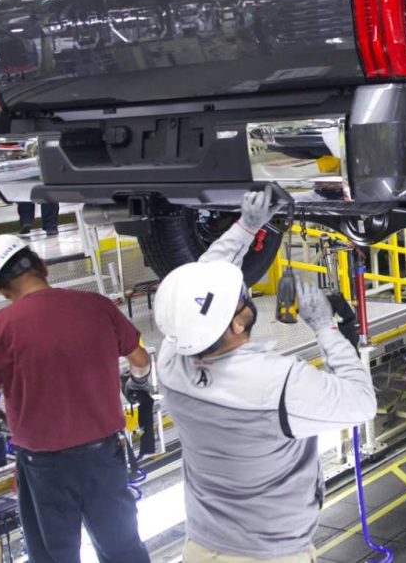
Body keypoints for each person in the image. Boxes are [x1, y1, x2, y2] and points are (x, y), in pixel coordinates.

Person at [155, 190, 377, 563]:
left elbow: (203, 282)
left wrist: (246, 227)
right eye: (242, 297)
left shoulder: (172, 361)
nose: (246, 291)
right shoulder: (277, 385)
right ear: (240, 321)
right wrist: (326, 329)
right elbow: (361, 403)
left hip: (201, 549)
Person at [0, 234, 151, 563]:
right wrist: (138, 384)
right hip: (102, 458)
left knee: (53, 555)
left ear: (1, 289)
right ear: (43, 267)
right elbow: (140, 359)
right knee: (122, 549)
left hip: (43, 468)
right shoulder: (96, 305)